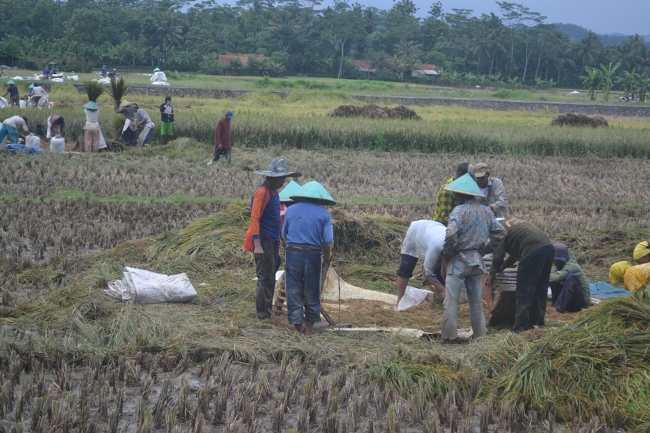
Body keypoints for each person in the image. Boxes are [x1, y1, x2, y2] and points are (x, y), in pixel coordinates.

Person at [440, 174, 506, 344]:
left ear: (461, 195)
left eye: (456, 194)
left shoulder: (459, 211)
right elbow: (500, 233)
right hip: (477, 262)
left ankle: (449, 337)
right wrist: (485, 250)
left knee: (451, 301)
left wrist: (447, 253)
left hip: (459, 260)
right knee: (476, 303)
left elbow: (451, 234)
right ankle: (480, 337)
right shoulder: (486, 211)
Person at [251, 158, 302, 320]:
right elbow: (255, 217)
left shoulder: (274, 193)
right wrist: (257, 244)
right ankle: (262, 314)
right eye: (281, 179)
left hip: (272, 239)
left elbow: (274, 219)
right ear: (272, 178)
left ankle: (265, 309)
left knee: (271, 272)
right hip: (264, 240)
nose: (283, 182)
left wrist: (281, 238)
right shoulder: (262, 193)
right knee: (265, 277)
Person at [282, 181, 335, 337]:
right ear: (319, 199)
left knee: (293, 289)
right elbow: (327, 241)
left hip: (293, 252)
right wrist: (326, 257)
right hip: (313, 254)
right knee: (312, 289)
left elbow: (283, 235)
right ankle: (310, 328)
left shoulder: (291, 210)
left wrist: (289, 249)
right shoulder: (324, 214)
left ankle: (298, 327)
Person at [490, 218, 554, 333]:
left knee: (524, 291)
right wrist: (504, 266)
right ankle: (538, 323)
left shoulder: (498, 232)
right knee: (540, 288)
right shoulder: (512, 226)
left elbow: (497, 258)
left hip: (532, 251)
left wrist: (492, 273)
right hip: (548, 247)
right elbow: (515, 253)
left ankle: (520, 328)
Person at [396, 220, 447, 306]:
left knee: (439, 272)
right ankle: (400, 301)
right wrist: (442, 290)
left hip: (433, 231)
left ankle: (436, 302)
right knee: (407, 266)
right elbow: (428, 272)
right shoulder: (435, 246)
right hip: (416, 231)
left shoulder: (457, 248)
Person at [548, 244, 591, 313]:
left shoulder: (571, 266)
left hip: (580, 303)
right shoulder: (561, 265)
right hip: (570, 302)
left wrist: (538, 278)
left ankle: (558, 308)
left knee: (571, 277)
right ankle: (556, 304)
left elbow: (555, 277)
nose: (553, 263)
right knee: (554, 280)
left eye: (555, 260)